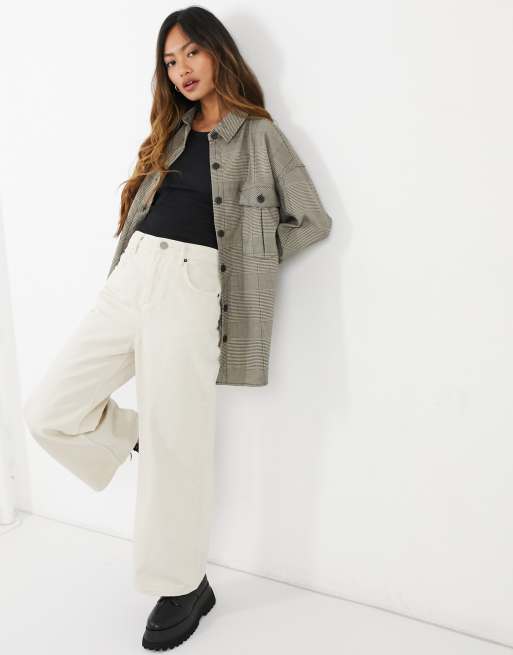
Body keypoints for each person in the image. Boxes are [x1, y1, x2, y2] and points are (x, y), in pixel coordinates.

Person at [22, 5, 332, 652]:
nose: (182, 68)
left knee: (178, 455)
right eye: (170, 60)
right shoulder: (170, 131)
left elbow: (311, 220)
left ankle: (183, 584)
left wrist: (246, 258)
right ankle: (135, 435)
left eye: (191, 52)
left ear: (219, 52)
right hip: (132, 277)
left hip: (193, 289)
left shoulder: (259, 135)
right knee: (49, 410)